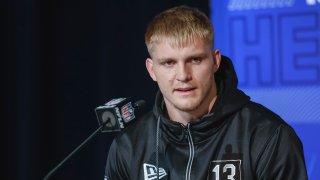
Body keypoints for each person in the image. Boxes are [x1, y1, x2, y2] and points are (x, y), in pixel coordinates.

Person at [104, 5, 308, 180]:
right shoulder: (129, 146)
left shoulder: (268, 136)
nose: (183, 75)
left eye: (195, 60)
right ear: (151, 69)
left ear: (215, 61)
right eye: (169, 63)